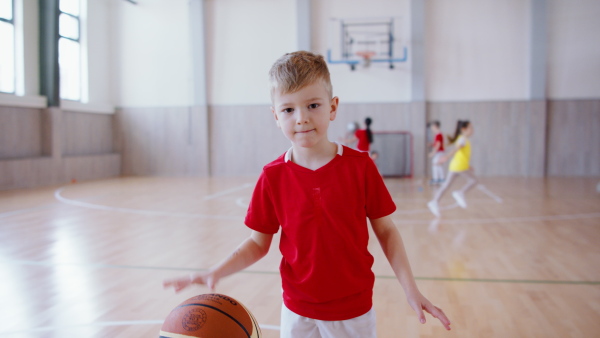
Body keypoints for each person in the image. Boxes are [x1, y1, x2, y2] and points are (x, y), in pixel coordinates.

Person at [164, 51, 451, 337]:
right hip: (296, 309)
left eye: (313, 105)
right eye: (288, 110)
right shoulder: (272, 176)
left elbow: (386, 231)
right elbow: (257, 244)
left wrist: (410, 289)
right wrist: (216, 271)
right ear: (276, 116)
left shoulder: (360, 167)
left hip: (353, 311)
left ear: (333, 107)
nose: (301, 118)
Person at [427, 120, 477, 217]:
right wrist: (446, 157)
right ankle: (460, 192)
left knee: (446, 185)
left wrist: (468, 166)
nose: (472, 130)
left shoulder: (463, 139)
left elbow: (462, 155)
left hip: (457, 166)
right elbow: (456, 149)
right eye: (470, 127)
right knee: (474, 180)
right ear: (463, 129)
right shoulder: (462, 139)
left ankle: (434, 201)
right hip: (459, 166)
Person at [428, 121, 445, 185]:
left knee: (436, 164)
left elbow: (438, 145)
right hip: (439, 152)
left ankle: (438, 179)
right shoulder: (438, 135)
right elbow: (437, 144)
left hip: (439, 152)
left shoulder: (439, 134)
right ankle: (439, 178)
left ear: (435, 126)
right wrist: (432, 144)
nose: (431, 128)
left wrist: (432, 153)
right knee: (438, 165)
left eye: (432, 126)